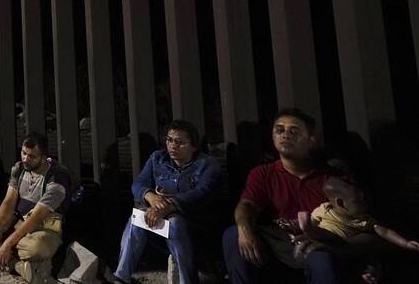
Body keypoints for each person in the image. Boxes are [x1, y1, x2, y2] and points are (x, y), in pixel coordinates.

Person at [222, 108, 349, 284]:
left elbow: (360, 224)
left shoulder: (332, 178)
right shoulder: (264, 173)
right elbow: (247, 205)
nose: (285, 135)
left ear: (312, 140)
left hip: (316, 242)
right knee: (233, 235)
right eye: (279, 130)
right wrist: (245, 231)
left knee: (321, 258)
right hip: (278, 244)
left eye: (294, 131)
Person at [112, 120, 222, 284]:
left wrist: (168, 206)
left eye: (179, 142)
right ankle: (121, 277)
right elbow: (138, 184)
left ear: (193, 146)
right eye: (169, 140)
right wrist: (151, 197)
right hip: (159, 219)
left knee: (176, 222)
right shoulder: (158, 158)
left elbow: (201, 193)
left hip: (194, 222)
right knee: (137, 218)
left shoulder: (207, 164)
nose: (172, 146)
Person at [0, 132, 70, 284]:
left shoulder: (57, 180)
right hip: (15, 222)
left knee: (37, 246)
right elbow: (9, 200)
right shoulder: (19, 168)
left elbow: (36, 217)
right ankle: (16, 265)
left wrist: (8, 243)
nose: (25, 158)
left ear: (43, 157)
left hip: (41, 229)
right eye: (23, 153)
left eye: (32, 156)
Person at [289, 177, 419, 259]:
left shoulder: (363, 219)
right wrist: (291, 224)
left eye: (363, 198)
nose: (364, 203)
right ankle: (307, 228)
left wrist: (405, 243)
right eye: (358, 201)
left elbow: (385, 232)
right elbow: (313, 219)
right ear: (340, 203)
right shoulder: (324, 209)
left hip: (344, 246)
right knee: (319, 234)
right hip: (323, 236)